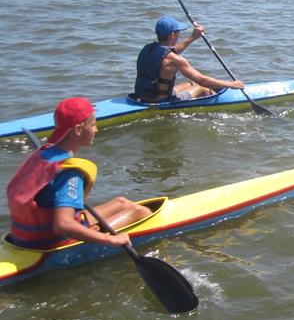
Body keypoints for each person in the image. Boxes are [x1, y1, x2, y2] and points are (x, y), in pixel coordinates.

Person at [6, 97, 151, 249]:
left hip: (23, 237)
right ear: (78, 130)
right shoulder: (70, 173)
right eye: (93, 125)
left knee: (122, 202)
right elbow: (63, 225)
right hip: (50, 242)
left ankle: (92, 227)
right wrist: (111, 240)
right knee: (139, 211)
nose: (96, 130)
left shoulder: (43, 153)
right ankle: (99, 233)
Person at [134, 16, 245, 102]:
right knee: (202, 88)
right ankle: (221, 100)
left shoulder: (148, 48)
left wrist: (193, 37)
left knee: (190, 84)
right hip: (161, 101)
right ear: (172, 35)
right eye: (178, 32)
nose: (179, 35)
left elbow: (169, 53)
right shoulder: (176, 60)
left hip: (143, 95)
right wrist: (231, 84)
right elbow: (202, 80)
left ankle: (216, 90)